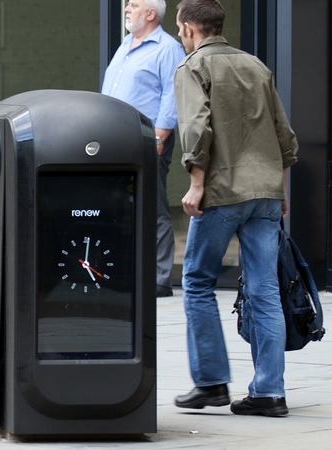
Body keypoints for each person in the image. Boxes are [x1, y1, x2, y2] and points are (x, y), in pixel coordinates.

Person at [172, 0, 298, 416]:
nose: (179, 35)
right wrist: (279, 191)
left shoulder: (193, 67)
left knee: (197, 281)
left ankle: (211, 383)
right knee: (265, 291)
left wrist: (195, 184)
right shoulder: (256, 66)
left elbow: (195, 127)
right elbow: (284, 135)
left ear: (191, 27)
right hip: (264, 191)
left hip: (223, 190)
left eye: (179, 27)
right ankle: (269, 392)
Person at [101, 0, 185, 298]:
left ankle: (160, 277)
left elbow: (173, 94)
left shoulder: (167, 48)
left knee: (153, 207)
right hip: (114, 139)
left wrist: (159, 137)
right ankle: (124, 272)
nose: (127, 8)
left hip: (147, 138)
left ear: (151, 13)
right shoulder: (125, 45)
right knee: (120, 206)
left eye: (134, 5)